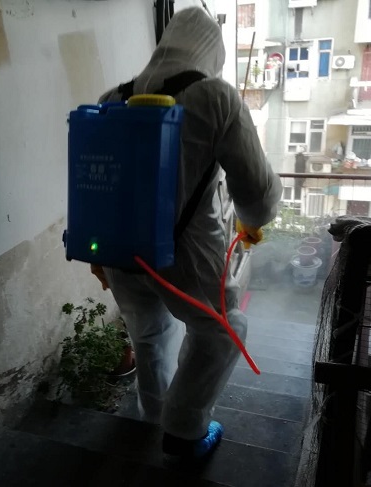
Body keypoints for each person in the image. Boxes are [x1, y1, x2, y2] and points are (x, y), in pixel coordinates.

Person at [91, 6, 281, 459]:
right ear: (210, 51)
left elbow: (96, 180)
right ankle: (183, 429)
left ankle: (152, 413)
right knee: (220, 332)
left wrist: (98, 254)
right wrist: (252, 224)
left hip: (120, 249)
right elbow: (256, 191)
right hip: (187, 254)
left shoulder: (112, 97)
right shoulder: (215, 95)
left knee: (148, 334)